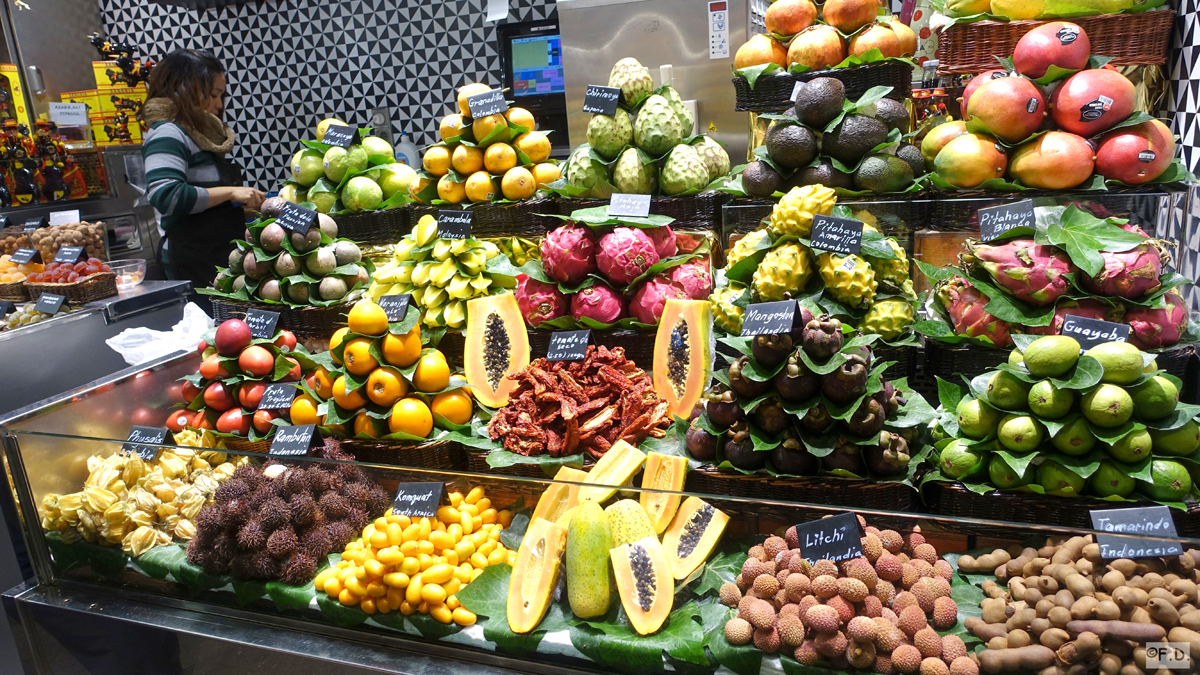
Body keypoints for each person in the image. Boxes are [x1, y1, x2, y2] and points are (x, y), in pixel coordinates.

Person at [141, 48, 263, 303]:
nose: (219, 105)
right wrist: (230, 192)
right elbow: (167, 195)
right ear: (187, 88)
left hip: (215, 256)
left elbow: (204, 208)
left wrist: (245, 211)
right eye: (213, 94)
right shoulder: (168, 133)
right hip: (191, 261)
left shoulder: (197, 136)